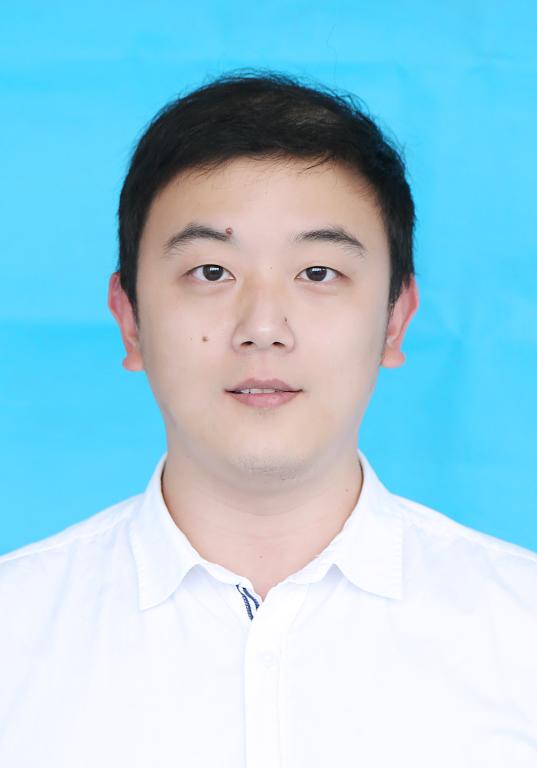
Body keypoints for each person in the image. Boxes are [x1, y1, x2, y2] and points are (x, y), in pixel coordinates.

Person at [1, 70, 536, 767]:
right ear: (130, 320)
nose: (262, 328)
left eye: (317, 273)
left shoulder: (520, 632)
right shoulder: (15, 632)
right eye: (210, 272)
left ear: (395, 319)